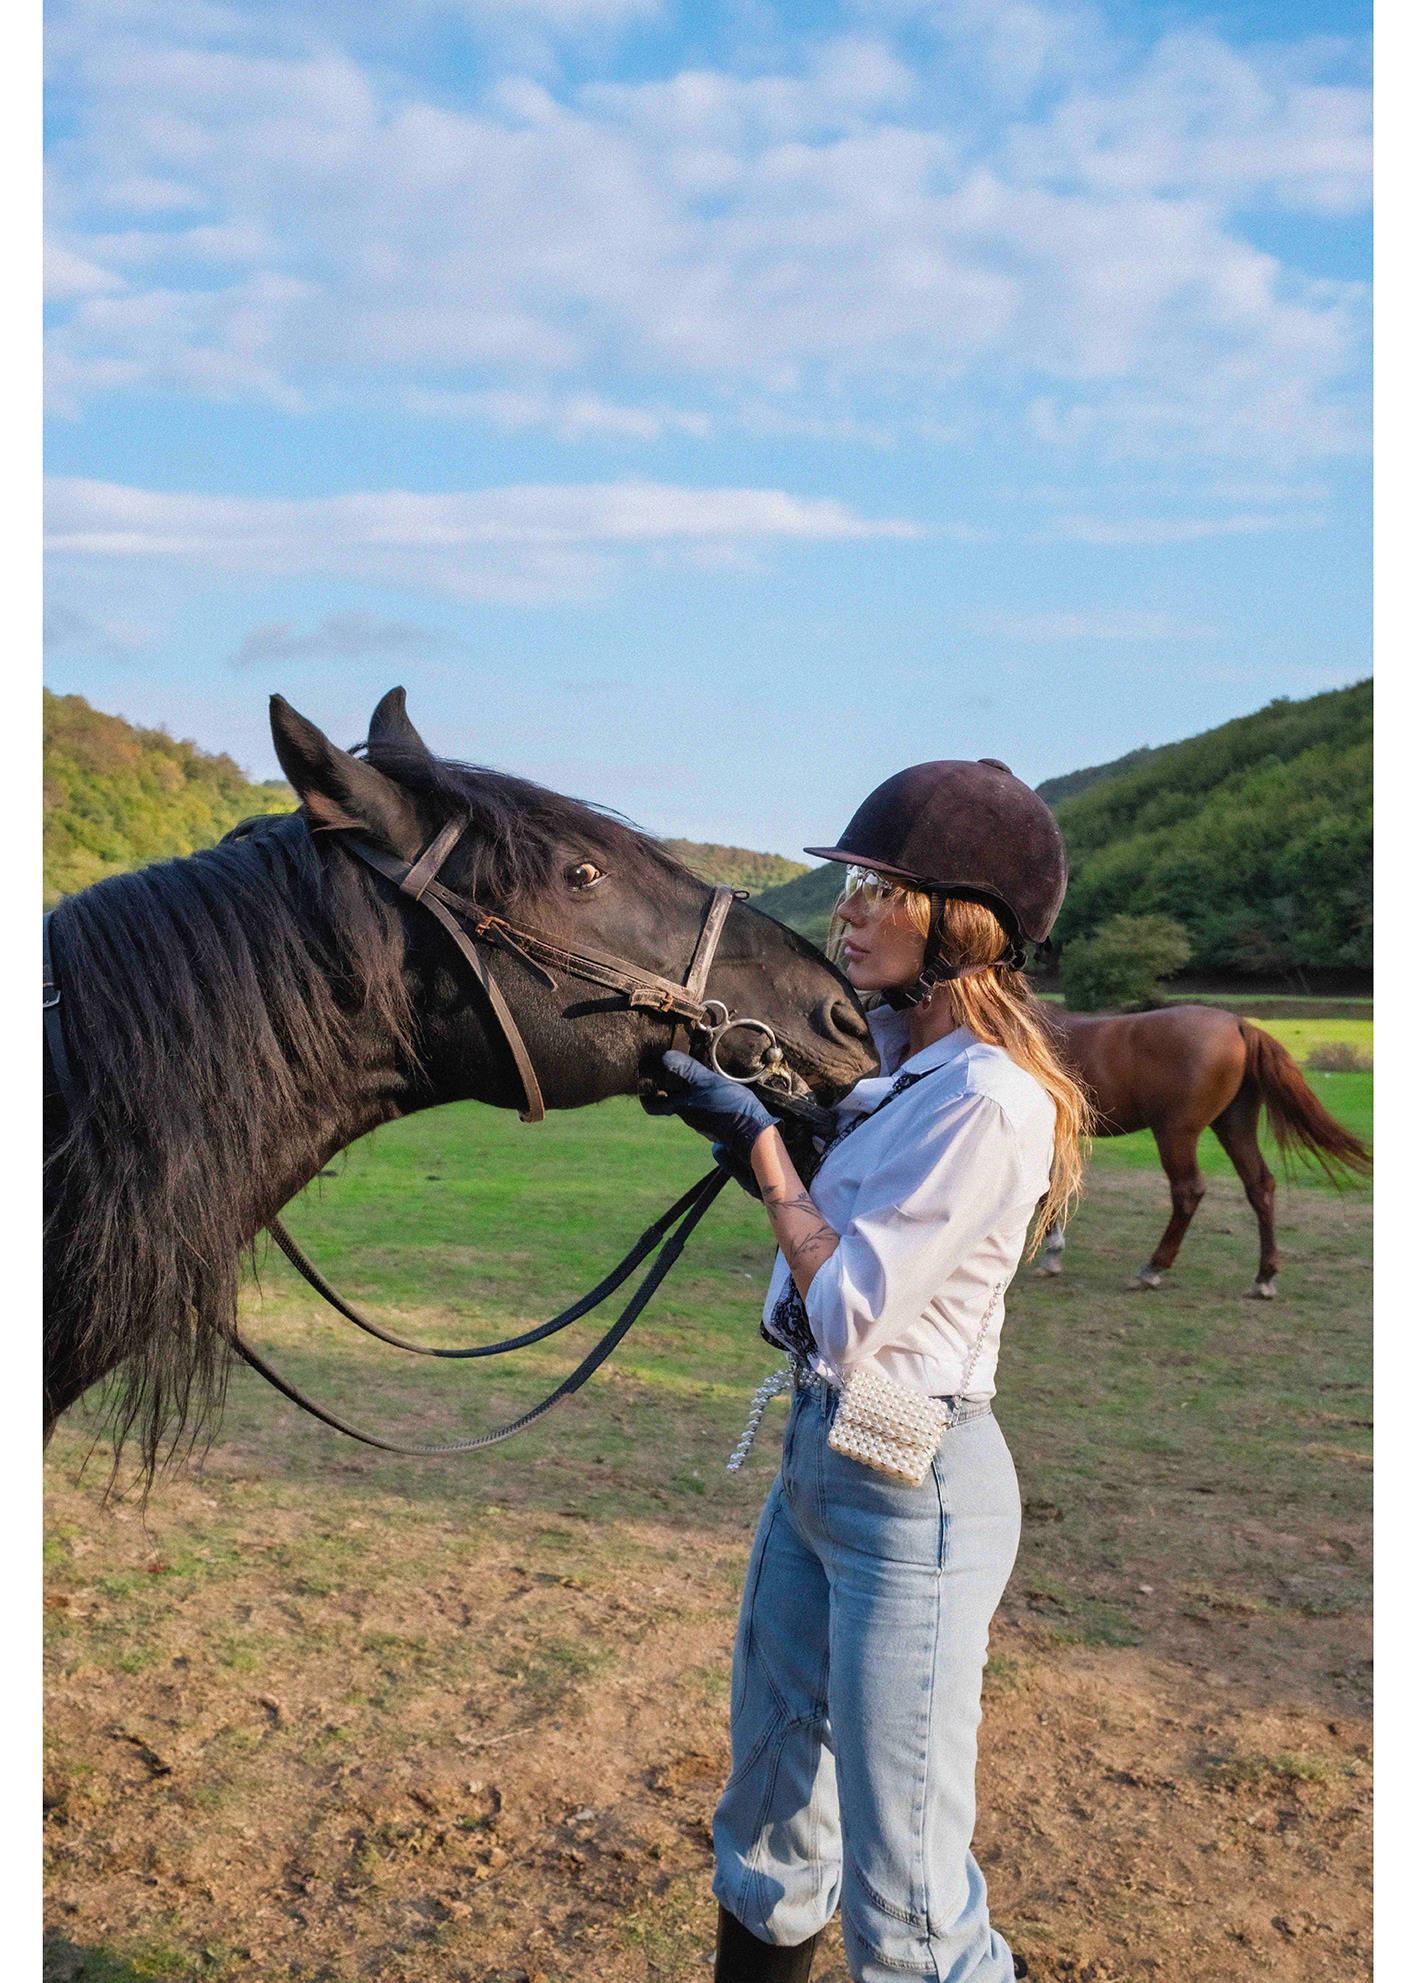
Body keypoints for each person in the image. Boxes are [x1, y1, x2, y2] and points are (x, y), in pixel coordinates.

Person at [645, 759, 1092, 1983]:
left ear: (960, 926)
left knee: (909, 1900)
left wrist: (763, 1155)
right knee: (772, 1817)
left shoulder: (991, 1102)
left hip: (916, 1492)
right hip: (824, 1455)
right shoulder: (896, 1070)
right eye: (850, 886)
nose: (845, 911)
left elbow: (847, 1314)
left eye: (876, 891)